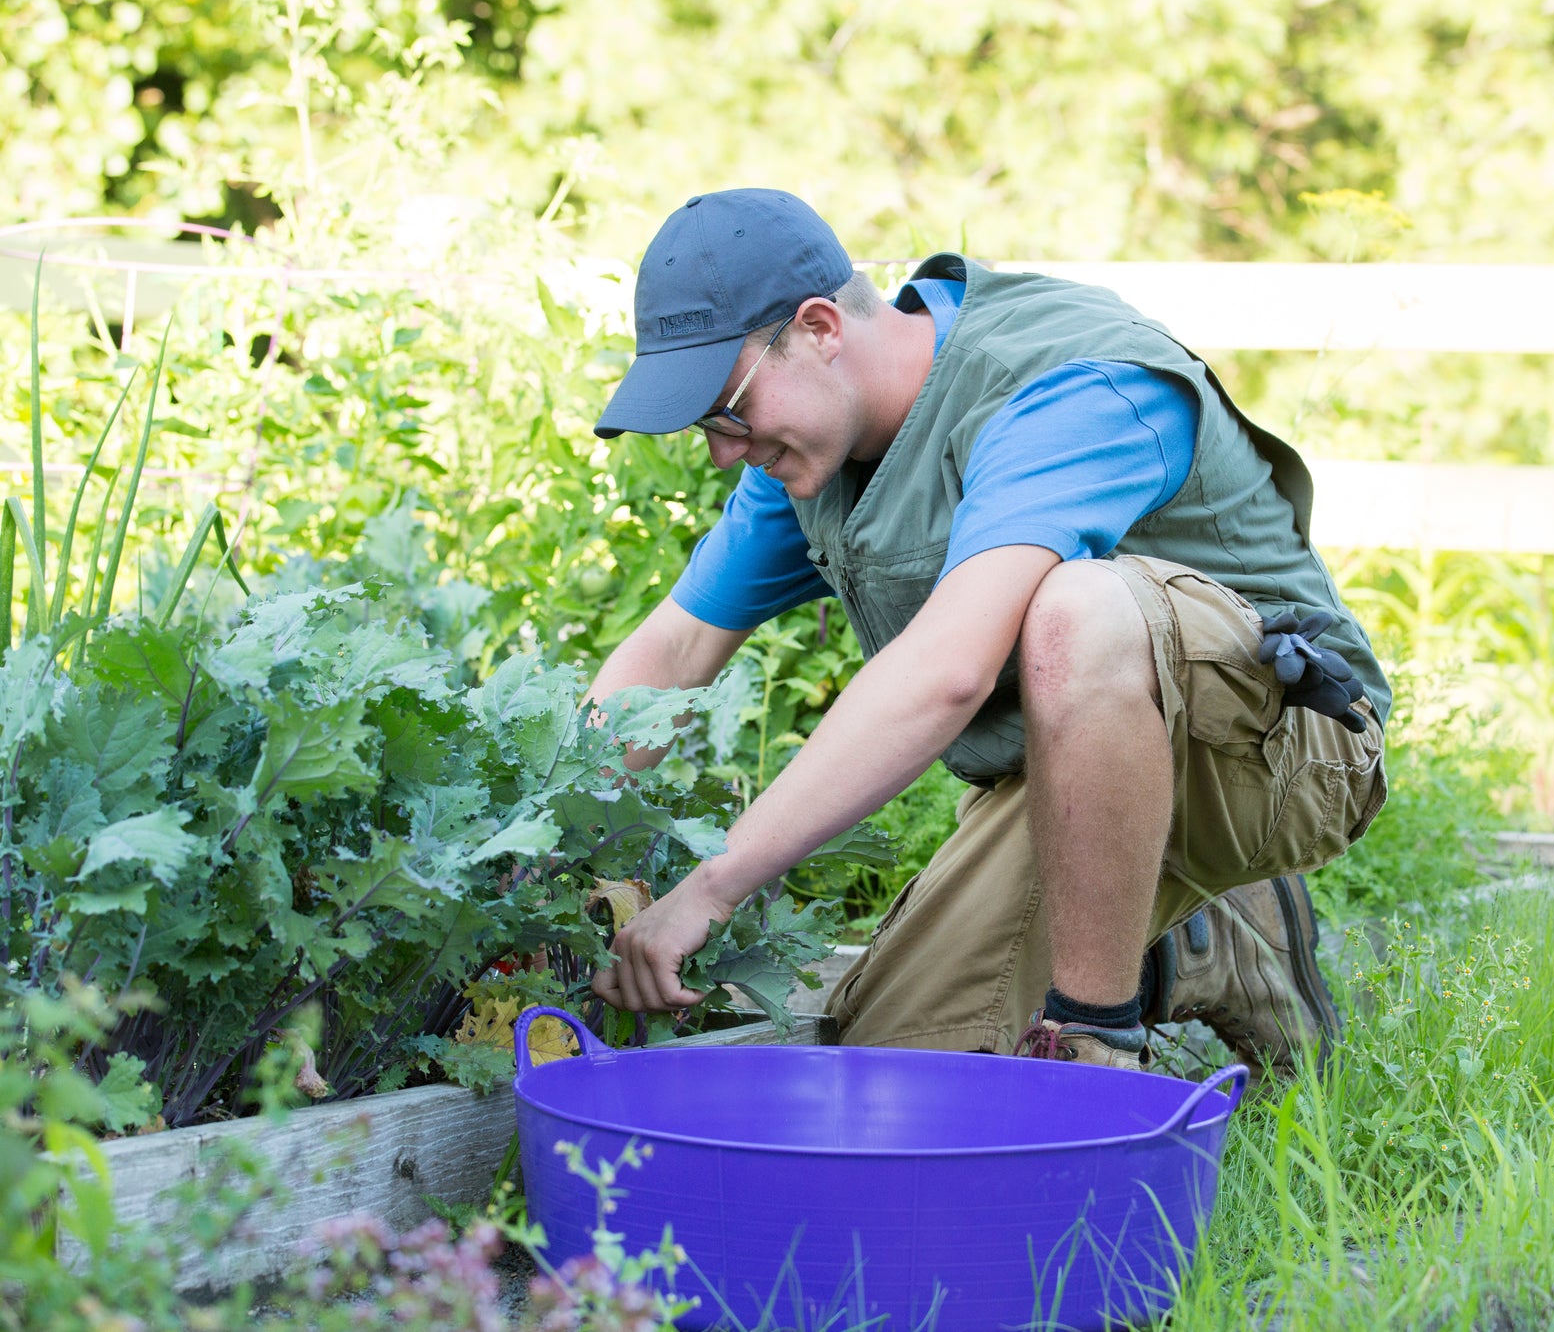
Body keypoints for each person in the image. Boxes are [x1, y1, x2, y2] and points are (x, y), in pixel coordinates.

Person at [585, 188, 1389, 1074]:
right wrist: (545, 829)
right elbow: (674, 650)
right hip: (1072, 784)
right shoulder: (816, 457)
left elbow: (946, 672)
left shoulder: (1064, 385)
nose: (723, 449)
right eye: (707, 426)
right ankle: (1207, 940)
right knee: (898, 1060)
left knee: (1078, 607)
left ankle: (1097, 1042)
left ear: (819, 328)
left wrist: (712, 883)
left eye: (727, 408)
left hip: (1281, 747)